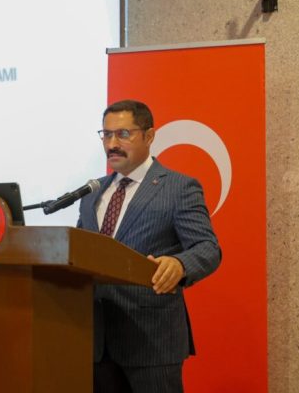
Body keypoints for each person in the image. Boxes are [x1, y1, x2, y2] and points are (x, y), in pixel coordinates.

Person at [77, 99, 221, 393]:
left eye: (123, 134)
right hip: (95, 343)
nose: (112, 144)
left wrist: (180, 264)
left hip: (151, 342)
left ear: (149, 136)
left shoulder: (178, 188)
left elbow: (208, 247)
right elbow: (81, 252)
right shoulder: (92, 193)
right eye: (106, 134)